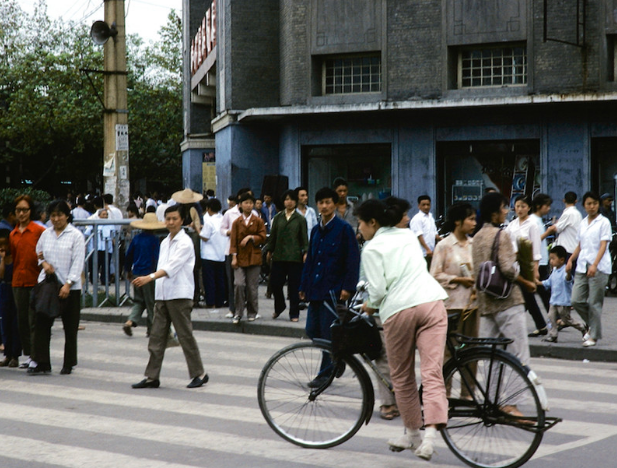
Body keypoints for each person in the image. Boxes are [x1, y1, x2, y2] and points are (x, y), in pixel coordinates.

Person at [357, 198, 448, 461]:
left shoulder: (372, 249)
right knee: (433, 373)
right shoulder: (408, 236)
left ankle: (413, 434)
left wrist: (370, 306)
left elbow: (378, 291)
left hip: (399, 311)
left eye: (361, 223)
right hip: (431, 302)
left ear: (372, 222)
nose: (360, 228)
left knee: (403, 377)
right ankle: (428, 437)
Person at [131, 205, 209, 389]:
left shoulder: (185, 242)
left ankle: (199, 373)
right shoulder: (165, 241)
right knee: (156, 336)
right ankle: (152, 377)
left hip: (179, 294)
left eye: (175, 219)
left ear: (182, 220)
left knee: (185, 335)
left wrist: (149, 277)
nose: (171, 222)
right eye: (168, 219)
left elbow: (171, 267)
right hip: (162, 294)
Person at [299, 187, 360, 387]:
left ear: (335, 204)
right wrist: (303, 285)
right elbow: (310, 261)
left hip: (334, 291)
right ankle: (338, 358)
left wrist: (347, 288)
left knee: (327, 333)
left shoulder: (344, 229)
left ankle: (326, 373)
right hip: (316, 289)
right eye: (321, 202)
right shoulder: (316, 230)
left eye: (328, 202)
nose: (324, 206)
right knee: (312, 330)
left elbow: (352, 260)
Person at [472, 192, 536, 371]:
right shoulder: (502, 235)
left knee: (490, 359)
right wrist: (526, 281)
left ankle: (491, 397)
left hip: (485, 304)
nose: (507, 211)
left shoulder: (476, 238)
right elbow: (508, 269)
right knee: (519, 356)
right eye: (504, 208)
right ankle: (521, 398)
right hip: (508, 302)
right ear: (494, 213)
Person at [30, 200, 85, 375]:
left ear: (67, 216)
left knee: (70, 327)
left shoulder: (75, 235)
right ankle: (42, 362)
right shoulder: (46, 234)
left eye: (59, 215)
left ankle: (68, 362)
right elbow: (39, 253)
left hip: (70, 287)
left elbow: (78, 263)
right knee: (42, 325)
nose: (56, 219)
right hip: (48, 285)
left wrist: (68, 284)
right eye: (53, 215)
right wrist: (44, 263)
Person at [430, 203, 480, 358]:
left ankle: (469, 383)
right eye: (470, 219)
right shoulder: (443, 246)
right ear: (458, 221)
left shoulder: (474, 245)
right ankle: (445, 383)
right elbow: (435, 275)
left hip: (472, 306)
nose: (474, 223)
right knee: (448, 354)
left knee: (471, 353)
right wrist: (458, 279)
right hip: (451, 308)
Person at [567, 192, 612, 347]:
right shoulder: (583, 223)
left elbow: (603, 245)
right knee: (576, 300)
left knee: (594, 303)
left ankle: (593, 335)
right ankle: (593, 325)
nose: (592, 207)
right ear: (584, 206)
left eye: (594, 203)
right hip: (582, 265)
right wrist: (571, 259)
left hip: (599, 267)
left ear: (598, 205)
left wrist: (594, 264)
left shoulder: (604, 222)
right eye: (588, 204)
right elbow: (579, 245)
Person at [10, 195, 46, 369]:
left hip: (35, 279)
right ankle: (29, 354)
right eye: (19, 210)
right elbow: (14, 258)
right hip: (18, 281)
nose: (22, 213)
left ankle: (36, 356)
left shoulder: (39, 230)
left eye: (25, 210)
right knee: (22, 321)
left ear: (31, 211)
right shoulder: (13, 233)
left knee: (34, 321)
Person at [505, 195, 548, 337]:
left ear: (529, 208)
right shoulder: (512, 224)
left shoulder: (532, 225)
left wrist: (535, 270)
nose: (520, 209)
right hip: (514, 265)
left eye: (523, 206)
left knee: (526, 297)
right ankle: (540, 325)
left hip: (527, 265)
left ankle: (540, 325)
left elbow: (536, 248)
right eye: (517, 206)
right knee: (525, 297)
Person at [265, 189, 308, 322]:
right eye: (286, 199)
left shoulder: (300, 219)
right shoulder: (278, 217)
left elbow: (304, 238)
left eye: (292, 199)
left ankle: (294, 313)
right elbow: (272, 237)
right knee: (275, 283)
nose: (289, 202)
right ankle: (279, 306)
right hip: (279, 256)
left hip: (295, 257)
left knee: (294, 286)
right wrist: (269, 250)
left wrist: (306, 252)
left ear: (296, 201)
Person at [123, 213, 164, 337]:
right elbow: (156, 258)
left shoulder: (136, 238)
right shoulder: (154, 240)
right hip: (148, 275)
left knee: (139, 301)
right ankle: (151, 330)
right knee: (151, 303)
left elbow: (128, 256)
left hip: (136, 273)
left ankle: (130, 321)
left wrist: (128, 271)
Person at [230, 193, 267, 324]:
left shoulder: (258, 221)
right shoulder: (236, 222)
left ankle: (252, 311)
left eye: (251, 203)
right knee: (239, 284)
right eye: (245, 203)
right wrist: (233, 257)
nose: (248, 205)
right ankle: (238, 312)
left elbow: (263, 236)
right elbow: (233, 241)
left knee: (252, 287)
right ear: (240, 205)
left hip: (254, 257)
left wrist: (251, 237)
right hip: (240, 257)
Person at [540, 245, 587, 343]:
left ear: (561, 260)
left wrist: (569, 273)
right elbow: (549, 282)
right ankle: (553, 335)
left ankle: (582, 327)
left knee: (566, 320)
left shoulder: (565, 271)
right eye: (550, 259)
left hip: (563, 301)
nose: (551, 261)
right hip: (554, 300)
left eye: (553, 258)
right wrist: (539, 283)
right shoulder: (554, 271)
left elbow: (568, 280)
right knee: (551, 317)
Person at [199, 198, 227, 308]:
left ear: (208, 209)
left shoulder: (209, 221)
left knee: (209, 280)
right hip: (221, 254)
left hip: (208, 255)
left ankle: (211, 302)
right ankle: (220, 301)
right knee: (220, 279)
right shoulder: (223, 219)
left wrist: (198, 231)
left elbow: (205, 237)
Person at [0, 231, 20, 368]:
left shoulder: (16, 257)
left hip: (15, 289)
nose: (3, 247)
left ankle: (15, 355)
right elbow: (1, 275)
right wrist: (2, 259)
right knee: (5, 322)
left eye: (5, 244)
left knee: (15, 323)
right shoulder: (2, 258)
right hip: (4, 289)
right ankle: (7, 354)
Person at [546, 191, 582, 256]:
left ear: (564, 200)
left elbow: (557, 228)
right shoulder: (578, 214)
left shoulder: (568, 213)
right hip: (575, 248)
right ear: (576, 201)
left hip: (567, 249)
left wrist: (546, 232)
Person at [409, 195, 441, 267]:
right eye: (423, 205)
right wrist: (427, 249)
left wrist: (442, 239)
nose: (426, 207)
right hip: (422, 253)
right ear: (419, 206)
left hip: (430, 252)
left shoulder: (430, 217)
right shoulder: (417, 219)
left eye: (428, 205)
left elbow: (434, 234)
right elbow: (419, 236)